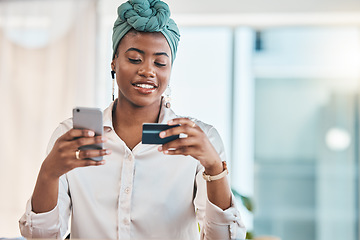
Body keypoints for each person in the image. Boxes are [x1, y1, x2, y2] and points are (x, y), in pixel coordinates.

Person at [19, 0, 246, 239]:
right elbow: (41, 237)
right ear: (114, 62)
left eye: (160, 63)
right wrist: (49, 174)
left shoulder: (200, 139)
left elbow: (225, 238)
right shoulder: (72, 137)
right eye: (135, 59)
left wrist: (214, 168)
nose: (148, 71)